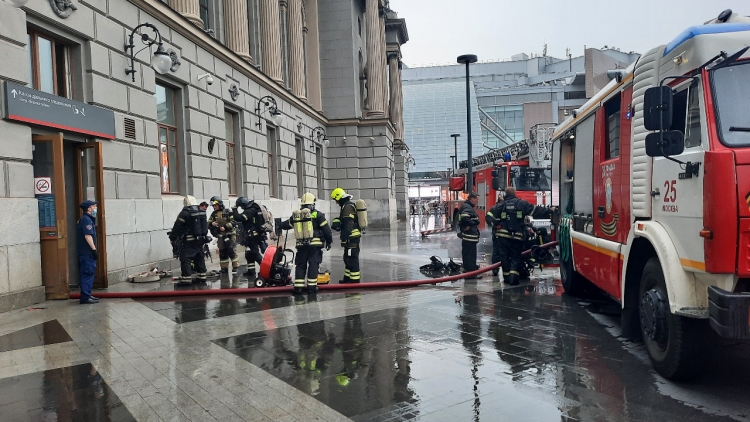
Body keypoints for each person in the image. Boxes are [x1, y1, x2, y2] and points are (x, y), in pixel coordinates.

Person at [492, 186, 555, 285]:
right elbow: (536, 210)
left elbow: (489, 215)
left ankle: (507, 278)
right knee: (515, 256)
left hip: (502, 236)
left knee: (504, 257)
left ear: (505, 194)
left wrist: (496, 224)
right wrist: (550, 210)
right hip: (516, 236)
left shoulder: (501, 205)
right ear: (515, 194)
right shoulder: (521, 203)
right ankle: (513, 278)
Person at [279, 193, 333, 294]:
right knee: (313, 264)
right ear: (313, 203)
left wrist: (279, 226)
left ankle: (298, 288)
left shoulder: (297, 215)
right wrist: (329, 242)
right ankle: (312, 287)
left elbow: (287, 224)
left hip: (301, 246)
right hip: (315, 247)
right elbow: (326, 230)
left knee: (300, 265)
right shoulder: (318, 214)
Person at [169, 195, 209, 284]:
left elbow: (177, 226)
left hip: (188, 241)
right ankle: (202, 277)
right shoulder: (200, 211)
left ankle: (186, 279)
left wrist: (172, 237)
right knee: (199, 257)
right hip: (200, 240)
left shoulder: (185, 213)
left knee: (186, 258)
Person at [331, 187, 361, 283]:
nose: (336, 202)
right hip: (351, 237)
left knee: (352, 258)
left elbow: (349, 224)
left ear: (339, 198)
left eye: (336, 200)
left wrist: (344, 238)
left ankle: (355, 281)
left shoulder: (347, 207)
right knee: (347, 258)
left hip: (351, 238)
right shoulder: (346, 206)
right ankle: (347, 278)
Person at [232, 197, 266, 276]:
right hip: (250, 235)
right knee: (249, 254)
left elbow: (239, 218)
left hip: (253, 237)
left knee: (255, 253)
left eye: (240, 206)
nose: (241, 208)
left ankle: (265, 268)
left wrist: (234, 209)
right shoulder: (252, 209)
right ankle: (251, 271)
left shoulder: (250, 211)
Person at [76, 200, 99, 304]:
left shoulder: (86, 219)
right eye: (94, 206)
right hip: (87, 253)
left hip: (85, 253)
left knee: (88, 273)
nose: (96, 208)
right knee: (87, 273)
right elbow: (88, 236)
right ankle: (85, 297)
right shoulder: (87, 220)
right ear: (89, 208)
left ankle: (87, 294)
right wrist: (94, 250)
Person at [208, 196, 239, 273]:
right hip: (221, 237)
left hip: (230, 235)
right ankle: (224, 268)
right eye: (213, 206)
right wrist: (212, 224)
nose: (214, 207)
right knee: (222, 252)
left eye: (215, 205)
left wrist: (226, 227)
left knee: (231, 250)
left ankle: (235, 267)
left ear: (220, 204)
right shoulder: (213, 214)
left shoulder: (228, 211)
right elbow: (208, 224)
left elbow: (234, 222)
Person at [458, 192, 482, 279]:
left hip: (468, 236)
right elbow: (465, 217)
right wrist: (473, 223)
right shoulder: (467, 207)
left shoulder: (467, 206)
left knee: (467, 253)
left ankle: (468, 269)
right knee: (471, 255)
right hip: (470, 236)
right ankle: (471, 274)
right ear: (472, 199)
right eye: (477, 199)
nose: (477, 201)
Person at [485, 192, 505, 276]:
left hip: (499, 234)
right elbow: (488, 217)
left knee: (498, 252)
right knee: (498, 252)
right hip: (499, 234)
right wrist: (493, 224)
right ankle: (496, 269)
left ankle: (496, 269)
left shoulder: (500, 208)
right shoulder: (495, 208)